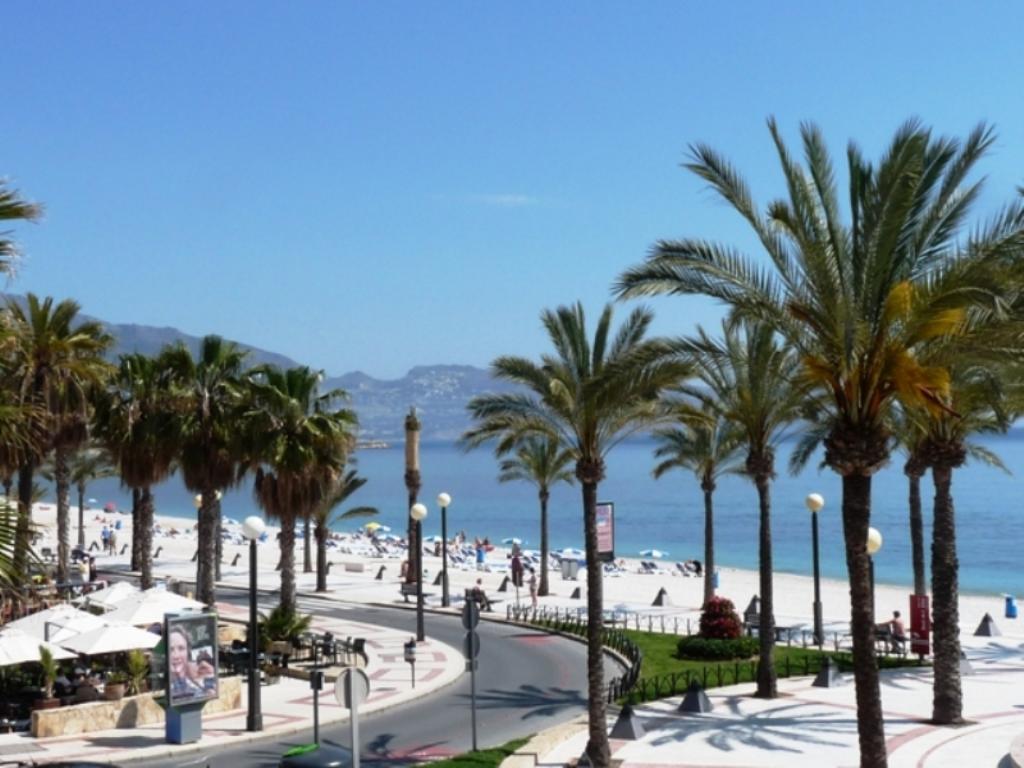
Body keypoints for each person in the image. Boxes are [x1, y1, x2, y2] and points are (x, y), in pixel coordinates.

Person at [168, 627, 214, 700]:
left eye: (181, 648)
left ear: (188, 651)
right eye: (170, 650)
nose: (176, 656)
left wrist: (208, 680)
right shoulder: (161, 687)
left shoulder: (196, 682)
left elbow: (211, 700)